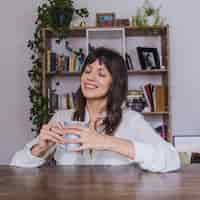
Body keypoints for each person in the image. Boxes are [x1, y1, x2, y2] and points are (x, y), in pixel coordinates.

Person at [10, 47, 180, 172]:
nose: (90, 78)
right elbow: (15, 165)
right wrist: (39, 148)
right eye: (87, 71)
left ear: (114, 83)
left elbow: (172, 159)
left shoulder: (131, 120)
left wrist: (105, 141)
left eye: (101, 74)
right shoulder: (61, 117)